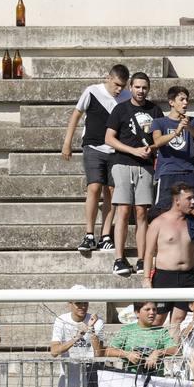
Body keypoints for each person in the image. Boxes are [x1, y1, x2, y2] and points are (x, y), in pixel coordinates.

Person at [61, 63, 128, 254]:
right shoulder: (92, 91)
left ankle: (106, 235)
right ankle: (89, 234)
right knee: (94, 187)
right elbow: (76, 115)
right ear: (108, 78)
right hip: (93, 146)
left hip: (116, 149)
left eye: (122, 86)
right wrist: (67, 143)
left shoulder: (126, 97)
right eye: (116, 84)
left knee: (112, 190)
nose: (119, 89)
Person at [104, 71, 164, 277]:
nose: (141, 91)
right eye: (137, 87)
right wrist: (132, 151)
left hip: (145, 166)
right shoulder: (120, 109)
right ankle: (119, 259)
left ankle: (141, 258)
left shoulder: (155, 110)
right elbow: (109, 138)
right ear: (131, 87)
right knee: (122, 210)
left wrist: (152, 148)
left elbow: (159, 137)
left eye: (144, 87)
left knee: (141, 212)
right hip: (122, 163)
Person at [149, 86, 194, 257]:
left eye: (187, 99)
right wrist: (176, 132)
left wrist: (188, 127)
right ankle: (160, 258)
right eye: (182, 99)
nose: (185, 103)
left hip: (190, 172)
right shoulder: (159, 122)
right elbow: (158, 141)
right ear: (171, 102)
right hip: (167, 173)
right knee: (163, 214)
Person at [144, 184, 194, 329]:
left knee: (178, 319)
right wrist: (146, 279)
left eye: (193, 198)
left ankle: (172, 351)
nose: (193, 202)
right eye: (189, 198)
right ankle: (149, 350)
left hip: (187, 276)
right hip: (164, 277)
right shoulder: (158, 222)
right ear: (177, 200)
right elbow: (149, 252)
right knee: (157, 318)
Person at [107, 301, 178, 376]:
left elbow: (175, 350)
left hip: (156, 380)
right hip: (130, 378)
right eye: (147, 309)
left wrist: (158, 353)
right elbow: (109, 350)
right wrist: (127, 354)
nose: (152, 312)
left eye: (154, 309)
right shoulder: (126, 330)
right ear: (137, 312)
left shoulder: (161, 331)